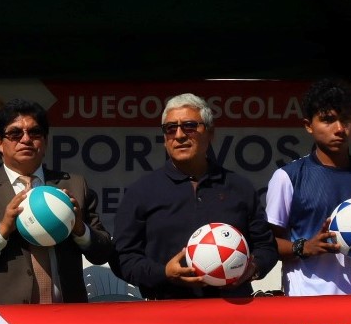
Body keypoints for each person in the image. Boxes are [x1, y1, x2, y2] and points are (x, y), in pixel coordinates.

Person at [0, 98, 114, 304]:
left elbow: (103, 252)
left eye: (34, 133)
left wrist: (80, 229)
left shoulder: (74, 186)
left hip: (65, 318)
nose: (25, 139)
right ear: (0, 143)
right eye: (15, 133)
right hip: (0, 319)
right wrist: (1, 230)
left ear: (44, 141)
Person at [113, 93, 278, 299]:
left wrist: (252, 268)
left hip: (232, 312)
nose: (180, 135)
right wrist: (164, 273)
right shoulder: (140, 192)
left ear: (210, 133)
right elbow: (124, 260)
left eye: (189, 126)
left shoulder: (239, 187)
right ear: (165, 138)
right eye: (171, 129)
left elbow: (266, 247)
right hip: (167, 316)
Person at [266, 79, 351, 295]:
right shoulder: (288, 177)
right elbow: (268, 244)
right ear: (309, 125)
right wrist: (304, 247)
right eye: (328, 120)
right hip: (310, 305)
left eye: (346, 119)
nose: (339, 129)